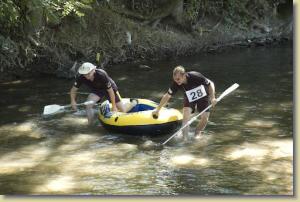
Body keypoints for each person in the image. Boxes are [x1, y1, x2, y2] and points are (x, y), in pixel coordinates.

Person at [152, 65, 217, 139]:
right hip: (189, 96)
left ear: (184, 75)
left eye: (178, 79)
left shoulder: (195, 75)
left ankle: (197, 133)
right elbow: (167, 96)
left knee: (205, 118)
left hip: (203, 95)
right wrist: (157, 109)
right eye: (175, 79)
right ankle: (184, 139)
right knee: (186, 115)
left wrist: (212, 98)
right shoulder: (176, 83)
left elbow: (210, 84)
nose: (177, 81)